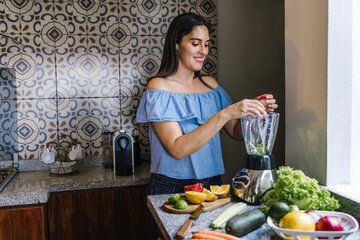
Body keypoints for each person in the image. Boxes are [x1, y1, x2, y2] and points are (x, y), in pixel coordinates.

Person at [136, 12, 278, 238]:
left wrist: (254, 112)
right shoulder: (159, 88)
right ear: (176, 45)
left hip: (213, 186)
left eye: (206, 44)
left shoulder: (210, 85)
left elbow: (235, 132)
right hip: (172, 189)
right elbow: (177, 148)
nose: (203, 51)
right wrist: (224, 114)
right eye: (195, 43)